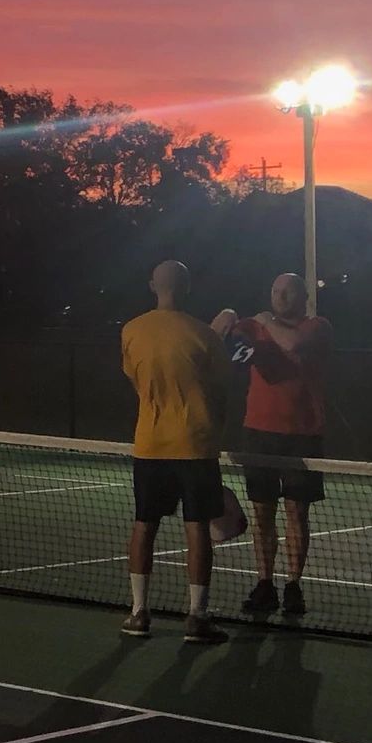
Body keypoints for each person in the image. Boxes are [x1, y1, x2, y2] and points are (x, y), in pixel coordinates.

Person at [118, 260, 228, 643]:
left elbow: (135, 380)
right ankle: (197, 617)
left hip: (149, 445)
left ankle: (138, 613)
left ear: (153, 285)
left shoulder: (132, 331)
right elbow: (219, 389)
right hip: (196, 445)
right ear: (188, 287)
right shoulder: (204, 335)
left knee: (144, 524)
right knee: (196, 527)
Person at [221, 272, 332, 620]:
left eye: (288, 292)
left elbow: (291, 345)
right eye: (275, 291)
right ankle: (265, 583)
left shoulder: (317, 327)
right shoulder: (252, 327)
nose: (280, 298)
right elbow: (223, 349)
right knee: (262, 512)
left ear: (303, 297)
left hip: (303, 434)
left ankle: (293, 585)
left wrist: (265, 322)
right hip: (259, 432)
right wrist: (225, 320)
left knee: (297, 512)